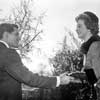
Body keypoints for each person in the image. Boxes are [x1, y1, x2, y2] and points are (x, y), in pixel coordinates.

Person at [0, 23, 74, 100]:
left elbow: (8, 81)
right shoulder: (7, 53)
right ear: (6, 35)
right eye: (16, 34)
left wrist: (30, 86)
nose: (19, 38)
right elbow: (28, 78)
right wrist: (58, 80)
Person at [75, 11, 100, 100]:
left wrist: (77, 75)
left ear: (89, 27)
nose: (76, 29)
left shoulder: (95, 46)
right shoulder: (88, 48)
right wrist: (76, 76)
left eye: (79, 26)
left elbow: (96, 78)